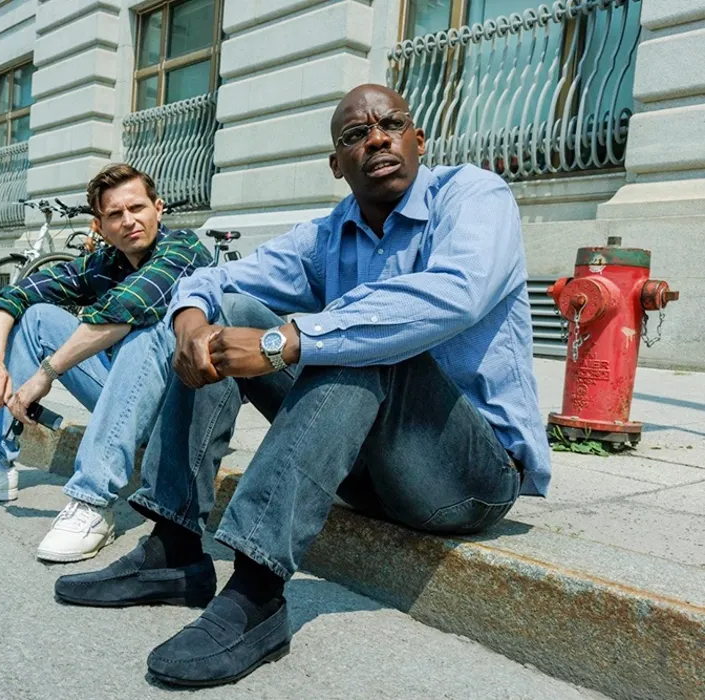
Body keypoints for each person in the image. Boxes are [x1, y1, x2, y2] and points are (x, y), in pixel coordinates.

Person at [54, 84, 552, 686]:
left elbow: (457, 293)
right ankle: (174, 549)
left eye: (391, 125)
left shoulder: (473, 195)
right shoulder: (329, 233)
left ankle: (256, 597)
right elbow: (216, 280)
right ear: (337, 165)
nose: (376, 139)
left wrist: (287, 340)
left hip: (470, 476)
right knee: (227, 316)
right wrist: (190, 323)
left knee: (359, 334)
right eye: (355, 135)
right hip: (369, 474)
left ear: (418, 141)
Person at [0, 164, 212, 563]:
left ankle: (92, 500)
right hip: (126, 399)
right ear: (100, 226)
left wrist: (46, 374)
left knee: (146, 328)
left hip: (186, 411)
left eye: (137, 208)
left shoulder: (183, 250)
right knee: (36, 316)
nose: (129, 221)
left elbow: (126, 307)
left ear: (158, 208)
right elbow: (17, 293)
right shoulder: (106, 262)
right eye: (115, 214)